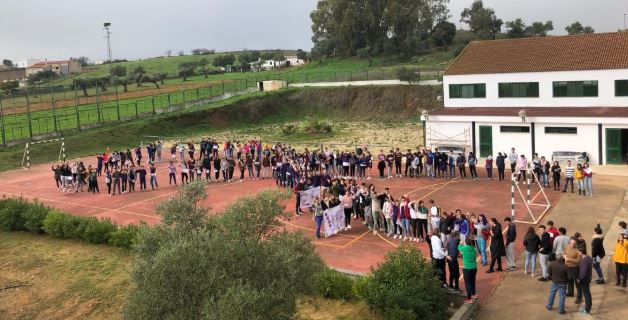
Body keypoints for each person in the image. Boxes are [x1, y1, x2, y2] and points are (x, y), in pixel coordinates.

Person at [459, 236, 478, 303]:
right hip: (474, 267)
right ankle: (474, 294)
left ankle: (469, 298)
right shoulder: (474, 249)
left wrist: (460, 243)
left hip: (467, 268)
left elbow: (459, 248)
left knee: (467, 283)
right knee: (473, 282)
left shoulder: (464, 248)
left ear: (466, 243)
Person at [578, 246, 593, 315]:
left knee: (586, 294)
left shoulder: (584, 261)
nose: (578, 253)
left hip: (584, 280)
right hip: (587, 279)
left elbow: (583, 272)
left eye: (578, 252)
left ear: (581, 252)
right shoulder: (588, 257)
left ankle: (587, 309)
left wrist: (579, 278)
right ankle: (588, 305)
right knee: (587, 293)